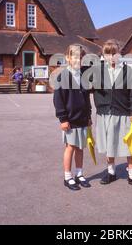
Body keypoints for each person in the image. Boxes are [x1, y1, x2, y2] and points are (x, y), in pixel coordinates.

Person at [91, 39, 132, 189]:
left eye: (114, 53)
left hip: (123, 113)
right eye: (107, 54)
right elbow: (84, 85)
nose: (111, 57)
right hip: (104, 114)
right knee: (109, 146)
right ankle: (111, 173)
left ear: (119, 53)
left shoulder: (128, 71)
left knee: (129, 146)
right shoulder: (97, 70)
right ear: (104, 55)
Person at [53, 44, 92, 191]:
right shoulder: (62, 76)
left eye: (80, 57)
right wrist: (63, 119)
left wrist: (88, 116)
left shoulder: (83, 75)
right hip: (69, 120)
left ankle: (79, 174)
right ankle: (68, 177)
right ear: (68, 58)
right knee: (70, 148)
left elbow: (87, 98)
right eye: (75, 56)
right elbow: (58, 100)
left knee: (80, 148)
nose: (78, 59)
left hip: (82, 118)